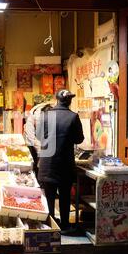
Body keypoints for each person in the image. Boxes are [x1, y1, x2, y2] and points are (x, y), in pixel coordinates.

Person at [36, 89, 84, 234]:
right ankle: (65, 226)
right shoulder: (73, 117)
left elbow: (39, 136)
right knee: (64, 197)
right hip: (65, 165)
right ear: (69, 101)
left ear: (56, 100)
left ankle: (50, 225)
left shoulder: (45, 115)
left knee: (49, 197)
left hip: (47, 164)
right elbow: (79, 139)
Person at [24, 95, 52, 176]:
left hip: (45, 141)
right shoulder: (34, 114)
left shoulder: (50, 111)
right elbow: (31, 136)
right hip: (32, 143)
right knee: (37, 165)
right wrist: (39, 150)